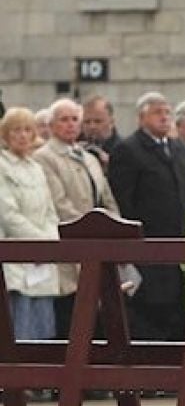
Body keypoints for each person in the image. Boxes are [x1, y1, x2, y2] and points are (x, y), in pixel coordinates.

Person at [108, 91, 185, 343]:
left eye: (167, 112)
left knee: (181, 317)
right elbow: (122, 202)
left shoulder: (178, 149)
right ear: (141, 118)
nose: (164, 117)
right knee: (152, 319)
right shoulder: (128, 150)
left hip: (181, 250)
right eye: (157, 112)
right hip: (149, 253)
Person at [33, 98, 119, 338]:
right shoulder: (44, 158)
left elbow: (107, 198)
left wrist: (116, 227)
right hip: (70, 249)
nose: (70, 125)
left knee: (99, 322)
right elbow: (59, 204)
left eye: (74, 119)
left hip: (98, 245)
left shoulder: (89, 157)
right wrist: (94, 229)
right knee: (70, 319)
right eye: (64, 119)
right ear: (50, 125)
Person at [0, 107, 60, 341]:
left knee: (45, 333)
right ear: (5, 135)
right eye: (16, 130)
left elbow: (50, 213)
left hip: (43, 261)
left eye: (28, 130)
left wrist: (51, 243)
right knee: (20, 331)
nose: (23, 135)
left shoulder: (36, 168)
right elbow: (8, 214)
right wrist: (38, 244)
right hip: (17, 256)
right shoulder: (2, 166)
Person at [80, 94, 122, 171]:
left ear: (112, 122)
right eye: (87, 122)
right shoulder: (76, 148)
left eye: (98, 121)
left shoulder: (124, 150)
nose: (92, 126)